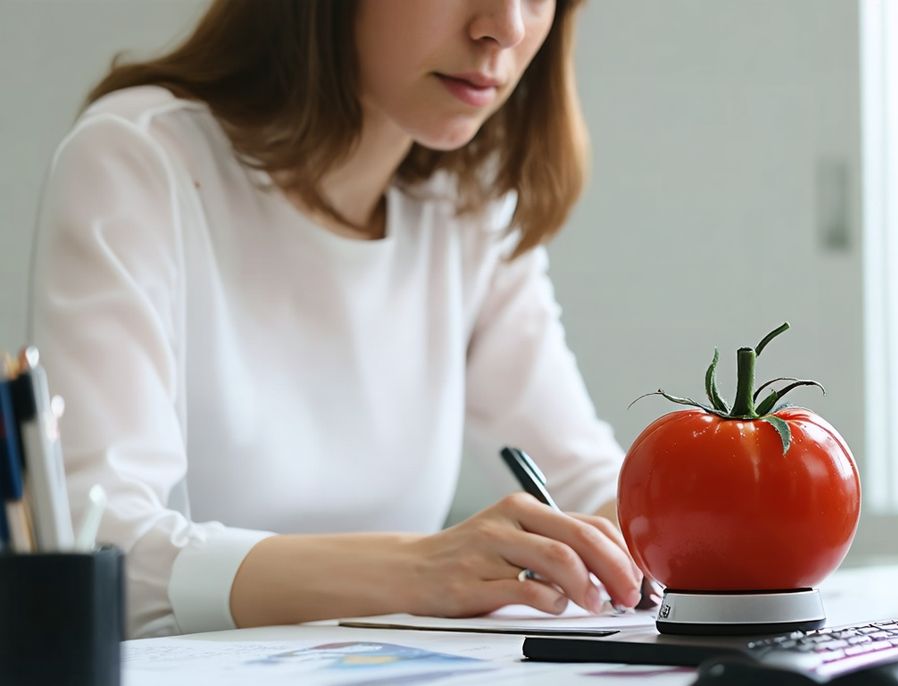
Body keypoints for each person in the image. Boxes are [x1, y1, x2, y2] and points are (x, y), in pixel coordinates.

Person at [28, 0, 643, 639]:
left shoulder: (469, 203)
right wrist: (418, 571)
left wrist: (670, 540)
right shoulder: (140, 155)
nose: (505, 28)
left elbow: (583, 478)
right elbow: (100, 548)